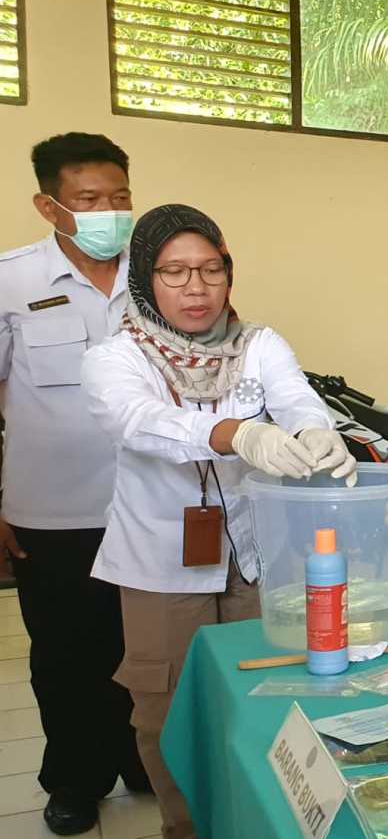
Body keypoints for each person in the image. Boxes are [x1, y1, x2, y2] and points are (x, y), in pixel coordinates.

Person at [81, 204, 356, 839]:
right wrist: (235, 433)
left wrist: (316, 432)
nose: (196, 288)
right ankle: (187, 827)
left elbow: (296, 398)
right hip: (159, 565)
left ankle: (256, 822)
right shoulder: (116, 356)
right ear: (145, 278)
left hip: (255, 558)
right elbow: (137, 421)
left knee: (267, 696)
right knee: (168, 710)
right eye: (175, 272)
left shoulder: (258, 344)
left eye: (211, 269)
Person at [0, 133, 148, 836]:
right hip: (50, 509)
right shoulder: (11, 280)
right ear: (49, 205)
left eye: (120, 197)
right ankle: (72, 779)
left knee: (142, 647)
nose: (109, 212)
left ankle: (140, 758)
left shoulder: (159, 275)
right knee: (64, 652)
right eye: (89, 199)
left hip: (150, 506)